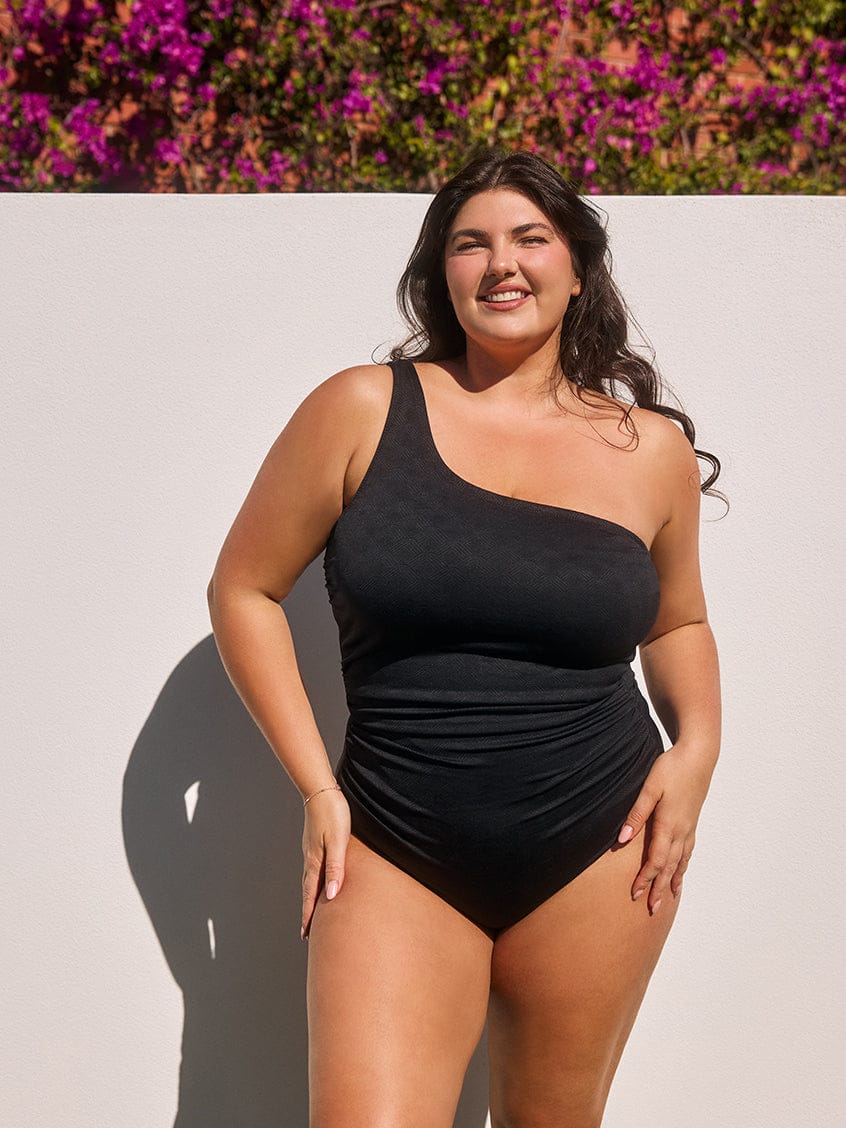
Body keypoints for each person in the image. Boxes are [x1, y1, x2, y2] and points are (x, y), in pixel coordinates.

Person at [207, 150, 722, 1127]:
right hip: (395, 843)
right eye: (470, 244)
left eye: (531, 239)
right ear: (440, 274)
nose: (502, 264)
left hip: (601, 847)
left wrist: (696, 751)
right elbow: (243, 588)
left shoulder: (646, 450)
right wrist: (317, 787)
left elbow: (680, 619)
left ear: (578, 267)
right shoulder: (362, 409)